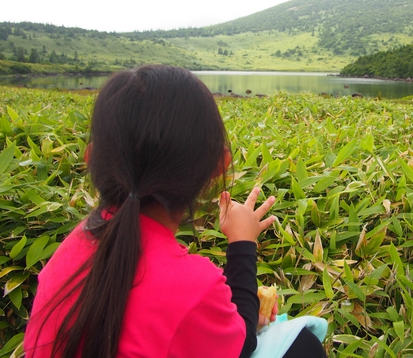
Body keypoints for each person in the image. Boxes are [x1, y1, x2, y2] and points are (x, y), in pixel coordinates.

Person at [23, 65, 326, 358]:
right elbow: (242, 343)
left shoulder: (74, 244)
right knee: (305, 346)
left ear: (92, 159)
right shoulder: (194, 285)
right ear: (219, 165)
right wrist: (242, 244)